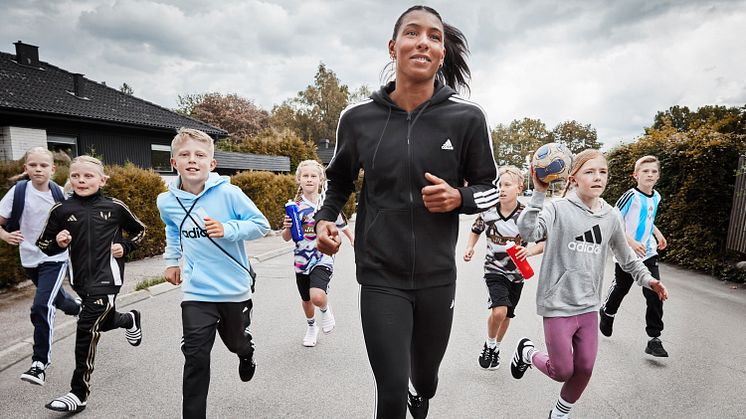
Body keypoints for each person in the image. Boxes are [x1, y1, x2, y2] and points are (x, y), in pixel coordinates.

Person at [313, 6, 499, 418]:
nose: (423, 41)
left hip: (436, 276)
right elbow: (340, 182)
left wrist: (459, 199)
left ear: (442, 52)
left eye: (434, 36)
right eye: (413, 33)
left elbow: (494, 190)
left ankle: (425, 389)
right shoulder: (359, 119)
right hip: (381, 275)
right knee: (391, 391)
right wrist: (324, 219)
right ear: (393, 46)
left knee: (425, 378)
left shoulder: (467, 118)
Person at [512, 149, 668, 419]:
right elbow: (528, 232)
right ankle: (527, 352)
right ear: (573, 179)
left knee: (584, 368)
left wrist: (648, 279)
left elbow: (626, 257)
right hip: (557, 304)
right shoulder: (557, 209)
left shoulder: (610, 216)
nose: (598, 177)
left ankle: (560, 414)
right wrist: (538, 192)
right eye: (590, 172)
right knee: (562, 371)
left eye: (603, 172)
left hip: (587, 306)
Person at [156, 128, 270, 419]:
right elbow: (172, 227)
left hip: (234, 288)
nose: (192, 160)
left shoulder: (229, 193)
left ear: (212, 164)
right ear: (173, 163)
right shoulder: (166, 201)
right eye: (184, 155)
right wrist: (172, 261)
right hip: (197, 290)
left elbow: (261, 224)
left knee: (235, 342)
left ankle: (246, 351)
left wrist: (228, 229)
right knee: (195, 357)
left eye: (200, 155)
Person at [36, 155, 146, 413]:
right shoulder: (61, 210)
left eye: (88, 176)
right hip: (81, 283)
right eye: (76, 176)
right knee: (103, 321)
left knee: (86, 329)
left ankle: (78, 393)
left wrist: (125, 246)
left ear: (102, 179)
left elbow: (140, 231)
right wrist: (58, 243)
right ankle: (129, 319)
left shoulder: (115, 207)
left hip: (108, 280)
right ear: (70, 179)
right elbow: (43, 245)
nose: (81, 180)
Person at [0, 147, 81, 386]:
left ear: (52, 169)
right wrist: (5, 236)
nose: (38, 169)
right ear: (26, 168)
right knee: (58, 300)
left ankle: (39, 364)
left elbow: (75, 222)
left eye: (43, 165)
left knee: (41, 306)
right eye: (33, 165)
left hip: (54, 258)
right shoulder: (18, 192)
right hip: (29, 258)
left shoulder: (58, 195)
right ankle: (77, 308)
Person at [463, 166, 544, 370]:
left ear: (519, 188)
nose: (502, 188)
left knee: (507, 314)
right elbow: (476, 229)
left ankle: (496, 347)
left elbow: (544, 241)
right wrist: (470, 247)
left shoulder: (527, 215)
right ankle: (489, 345)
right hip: (494, 270)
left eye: (507, 185)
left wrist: (530, 252)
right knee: (499, 311)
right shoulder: (488, 211)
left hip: (517, 273)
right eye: (499, 185)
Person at [600, 155, 669, 356]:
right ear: (635, 175)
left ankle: (654, 338)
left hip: (648, 251)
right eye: (645, 171)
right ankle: (607, 312)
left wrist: (657, 234)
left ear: (658, 176)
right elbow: (615, 219)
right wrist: (629, 242)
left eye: (654, 171)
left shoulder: (656, 196)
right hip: (627, 251)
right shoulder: (630, 195)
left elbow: (648, 219)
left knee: (654, 291)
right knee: (622, 287)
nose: (649, 174)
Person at [281, 160, 354, 347]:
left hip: (323, 257)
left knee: (317, 297)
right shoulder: (294, 206)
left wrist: (353, 240)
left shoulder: (326, 205)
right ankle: (311, 327)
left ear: (321, 179)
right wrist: (288, 227)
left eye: (313, 176)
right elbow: (286, 237)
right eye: (305, 176)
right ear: (299, 179)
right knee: (306, 300)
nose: (309, 179)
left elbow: (342, 222)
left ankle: (324, 309)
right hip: (301, 260)